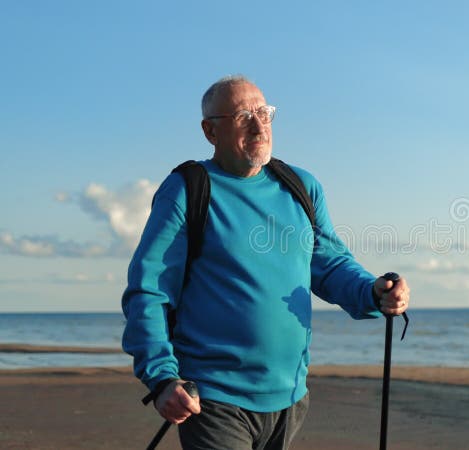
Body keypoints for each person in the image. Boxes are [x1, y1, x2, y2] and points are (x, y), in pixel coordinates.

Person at [121, 75, 410, 450]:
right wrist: (161, 378)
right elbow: (149, 289)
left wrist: (372, 291)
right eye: (243, 116)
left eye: (264, 113)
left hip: (290, 396)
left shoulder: (301, 187)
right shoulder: (187, 189)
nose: (259, 126)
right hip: (214, 398)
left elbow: (331, 264)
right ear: (210, 131)